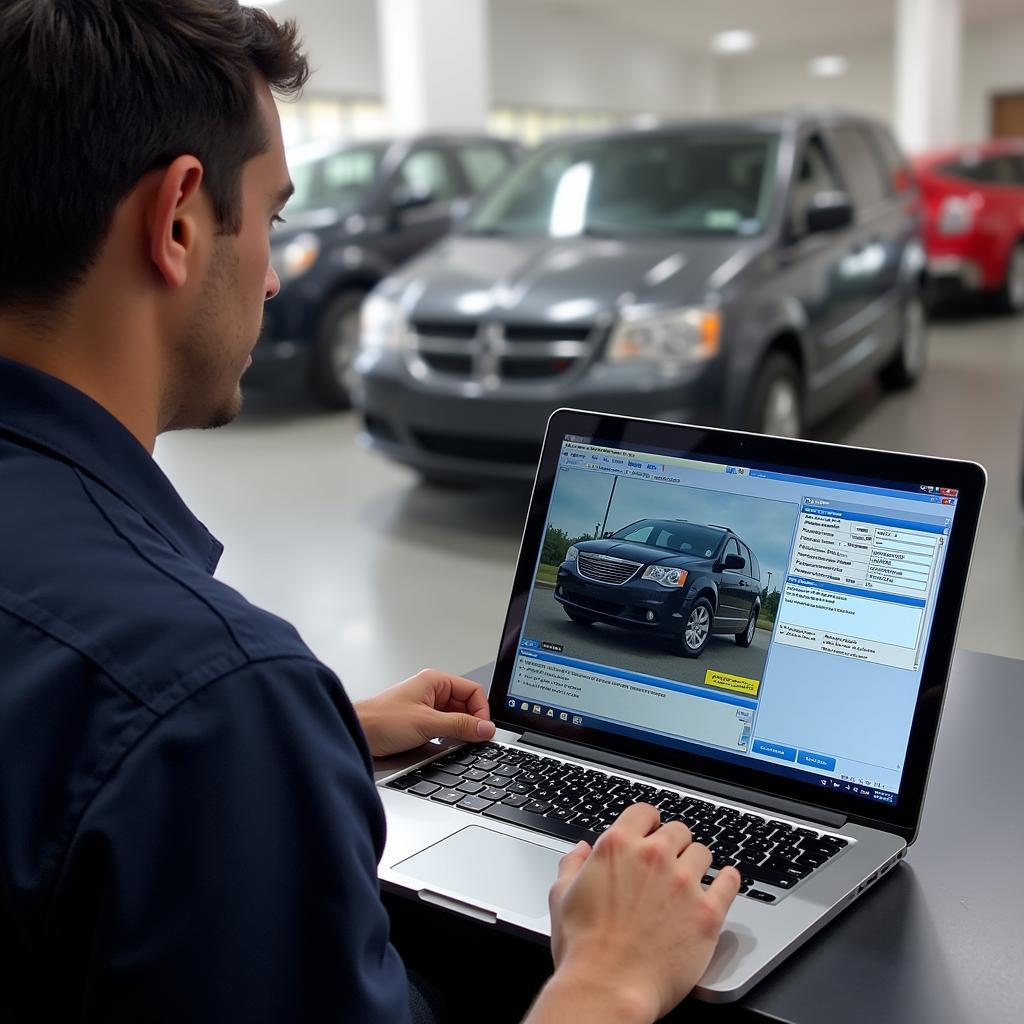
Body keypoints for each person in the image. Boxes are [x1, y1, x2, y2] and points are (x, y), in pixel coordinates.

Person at [0, 2, 740, 1022]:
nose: (268, 275)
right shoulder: (207, 694)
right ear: (176, 219)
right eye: (273, 218)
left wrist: (312, 737)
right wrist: (608, 979)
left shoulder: (201, 709)